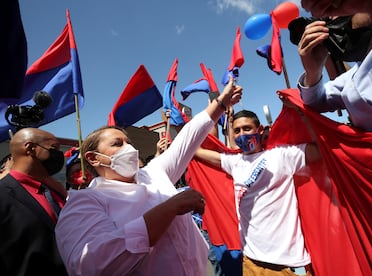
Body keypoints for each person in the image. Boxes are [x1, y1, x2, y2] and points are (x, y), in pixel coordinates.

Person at [54, 78, 242, 275]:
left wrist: (221, 103)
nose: (129, 149)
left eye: (129, 142)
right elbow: (90, 266)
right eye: (117, 144)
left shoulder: (153, 173)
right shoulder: (84, 202)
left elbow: (188, 137)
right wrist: (169, 209)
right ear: (93, 158)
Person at [195, 109, 320, 276]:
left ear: (259, 130)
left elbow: (320, 150)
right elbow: (197, 151)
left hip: (286, 264)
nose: (241, 135)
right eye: (237, 131)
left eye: (247, 128)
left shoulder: (282, 155)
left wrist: (303, 113)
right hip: (251, 261)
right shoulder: (234, 162)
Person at [297, 12, 372, 132]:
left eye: (339, 5)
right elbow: (315, 102)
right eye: (327, 18)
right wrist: (313, 72)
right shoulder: (351, 78)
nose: (331, 19)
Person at [0, 127, 68, 275]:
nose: (59, 155)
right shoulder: (3, 194)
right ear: (30, 148)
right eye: (54, 148)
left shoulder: (57, 191)